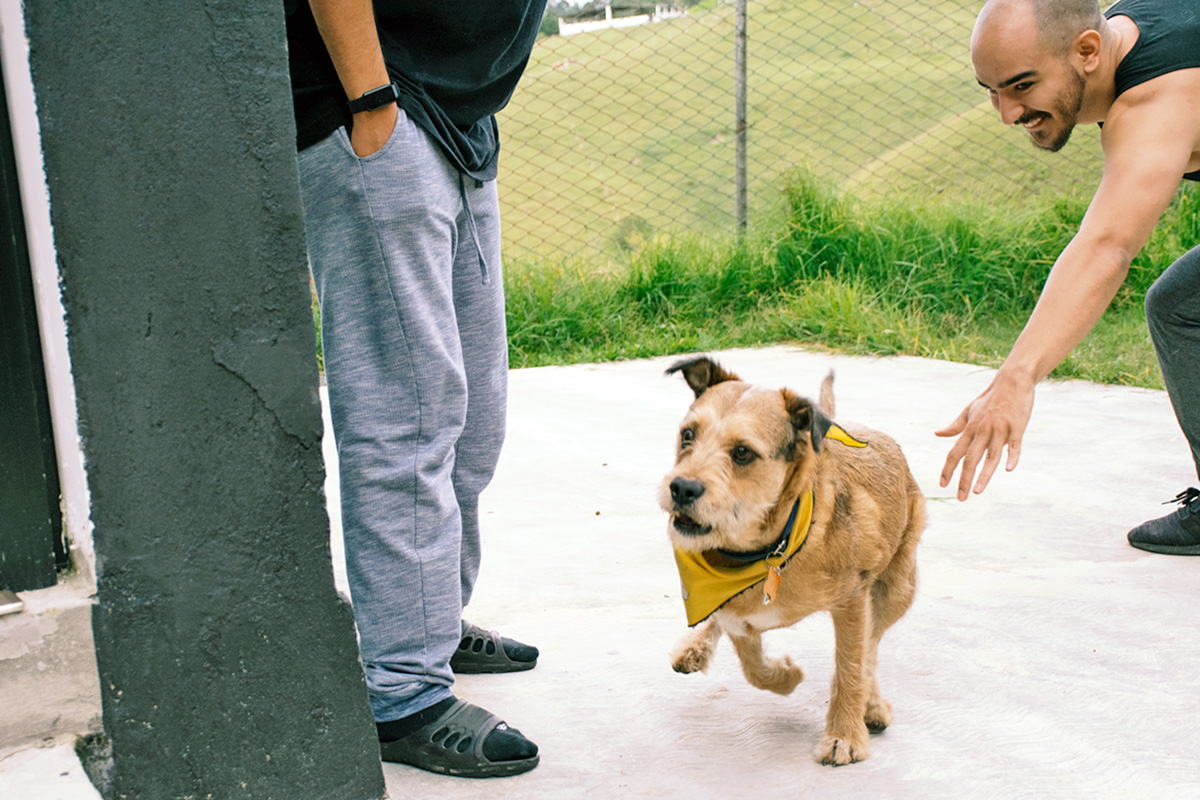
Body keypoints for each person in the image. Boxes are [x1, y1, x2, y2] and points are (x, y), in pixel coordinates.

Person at [285, 0, 545, 778]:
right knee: (407, 416)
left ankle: (428, 622)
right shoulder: (373, 109)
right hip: (374, 109)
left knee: (473, 422)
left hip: (455, 122)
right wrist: (372, 104)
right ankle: (402, 693)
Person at [938, 0, 1200, 554]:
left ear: (1086, 51)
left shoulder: (1153, 99)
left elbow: (1107, 246)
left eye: (1021, 86)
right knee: (1179, 306)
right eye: (991, 89)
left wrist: (1018, 376)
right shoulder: (1133, 27)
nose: (1007, 112)